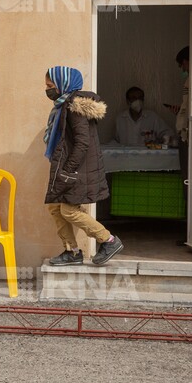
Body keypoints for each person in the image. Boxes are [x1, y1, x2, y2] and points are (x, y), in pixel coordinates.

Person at [43, 66, 124, 267]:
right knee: (55, 207)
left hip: (77, 170)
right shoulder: (64, 106)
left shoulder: (74, 108)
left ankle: (109, 240)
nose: (47, 90)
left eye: (50, 85)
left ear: (63, 84)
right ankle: (72, 252)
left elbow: (82, 142)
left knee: (69, 211)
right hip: (70, 167)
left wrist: (68, 169)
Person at [174, 46, 191, 201]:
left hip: (188, 135)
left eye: (182, 65)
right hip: (185, 132)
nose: (183, 69)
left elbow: (188, 108)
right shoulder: (191, 80)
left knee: (188, 177)